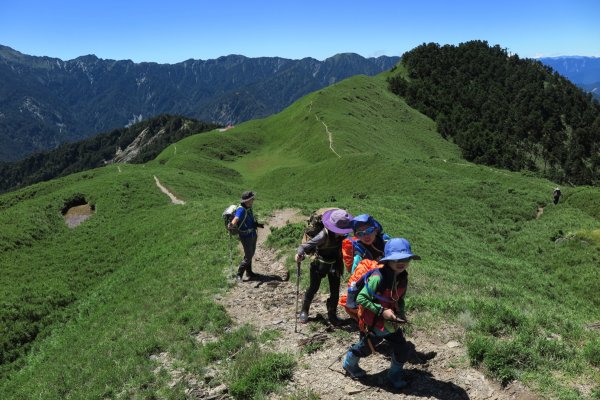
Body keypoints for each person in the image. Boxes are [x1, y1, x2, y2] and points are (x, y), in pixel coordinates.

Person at [342, 238, 421, 390]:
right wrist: (382, 311)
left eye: (405, 258)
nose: (401, 262)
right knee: (365, 349)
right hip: (373, 324)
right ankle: (349, 364)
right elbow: (361, 298)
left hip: (391, 324)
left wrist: (401, 313)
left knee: (402, 349)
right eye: (396, 258)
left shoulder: (402, 277)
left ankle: (394, 375)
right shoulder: (378, 277)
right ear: (388, 260)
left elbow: (400, 299)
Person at [295, 208, 353, 325]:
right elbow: (304, 247)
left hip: (335, 264)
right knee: (313, 288)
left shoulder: (343, 236)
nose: (344, 232)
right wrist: (299, 254)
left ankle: (332, 316)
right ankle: (304, 311)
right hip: (319, 265)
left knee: (335, 291)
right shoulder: (323, 235)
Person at [228, 191, 264, 282]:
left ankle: (249, 272)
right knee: (248, 256)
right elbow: (236, 218)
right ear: (247, 200)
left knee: (251, 254)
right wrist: (231, 224)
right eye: (252, 199)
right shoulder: (241, 209)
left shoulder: (249, 208)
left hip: (252, 234)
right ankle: (239, 275)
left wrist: (257, 224)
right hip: (246, 236)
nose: (253, 200)